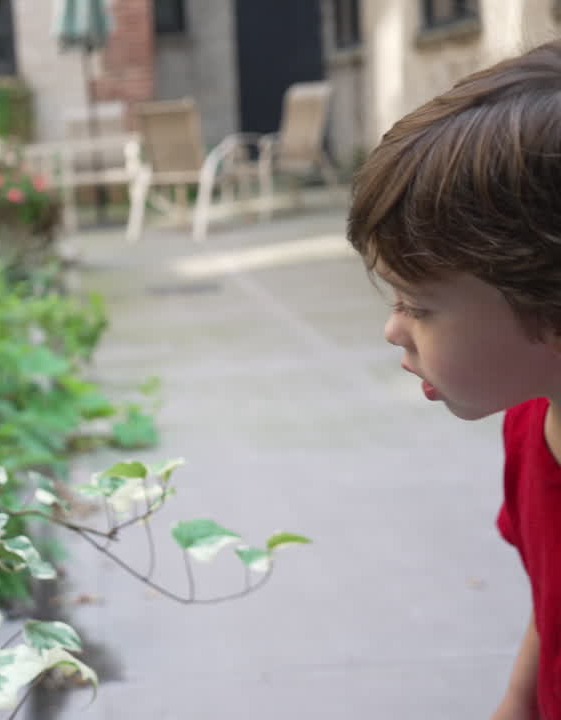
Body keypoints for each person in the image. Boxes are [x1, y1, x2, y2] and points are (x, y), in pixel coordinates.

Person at [347, 40, 561, 719]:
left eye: (419, 304)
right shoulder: (532, 427)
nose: (394, 329)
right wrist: (516, 701)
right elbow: (550, 606)